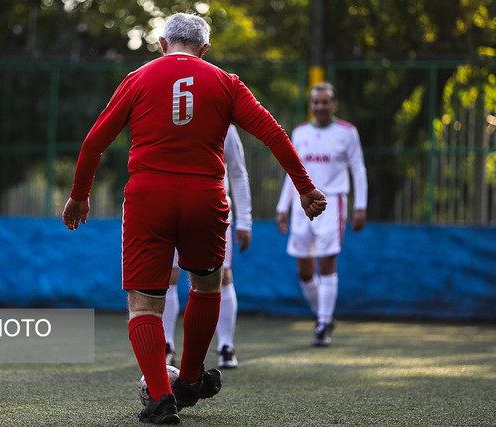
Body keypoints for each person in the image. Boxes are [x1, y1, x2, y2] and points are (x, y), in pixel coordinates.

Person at [62, 13, 326, 424]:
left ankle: (162, 399)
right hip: (207, 197)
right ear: (204, 50)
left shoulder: (137, 78)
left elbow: (94, 142)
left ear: (163, 44)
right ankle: (187, 380)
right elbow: (274, 134)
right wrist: (305, 187)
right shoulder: (227, 82)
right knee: (206, 286)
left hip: (150, 197)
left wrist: (80, 196)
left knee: (144, 304)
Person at [276, 82, 368, 347]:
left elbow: (358, 170)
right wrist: (283, 206)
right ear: (311, 105)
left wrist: (360, 206)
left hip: (332, 201)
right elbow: (292, 171)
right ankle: (322, 314)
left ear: (334, 105)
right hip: (301, 204)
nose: (320, 106)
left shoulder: (347, 132)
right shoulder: (300, 132)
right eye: (316, 102)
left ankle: (324, 323)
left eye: (325, 101)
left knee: (327, 263)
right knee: (304, 271)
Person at [163, 124, 252, 370]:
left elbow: (237, 172)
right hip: (172, 209)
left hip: (214, 212)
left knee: (221, 276)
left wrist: (245, 220)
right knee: (168, 276)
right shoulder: (172, 118)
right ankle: (167, 345)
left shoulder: (225, 127)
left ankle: (226, 345)